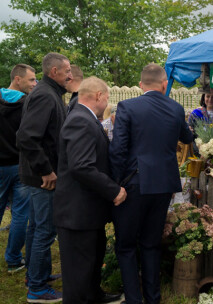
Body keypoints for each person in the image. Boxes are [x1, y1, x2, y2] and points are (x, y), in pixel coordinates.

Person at [109, 63, 193, 304]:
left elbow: (118, 150)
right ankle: (153, 298)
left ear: (140, 85)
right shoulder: (176, 108)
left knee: (125, 245)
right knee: (151, 244)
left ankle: (134, 300)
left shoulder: (128, 106)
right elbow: (187, 137)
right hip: (164, 184)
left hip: (133, 184)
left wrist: (116, 184)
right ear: (164, 84)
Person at [53, 77, 125, 304]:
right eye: (107, 97)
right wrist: (113, 190)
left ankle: (94, 294)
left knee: (91, 261)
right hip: (77, 213)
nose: (107, 101)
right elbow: (81, 167)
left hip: (87, 212)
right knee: (78, 271)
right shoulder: (81, 121)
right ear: (98, 96)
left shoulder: (85, 118)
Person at [17, 52, 72, 303]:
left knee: (37, 227)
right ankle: (37, 289)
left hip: (38, 174)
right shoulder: (45, 96)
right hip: (43, 177)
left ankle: (35, 274)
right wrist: (46, 170)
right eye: (67, 71)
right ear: (54, 73)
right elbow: (27, 137)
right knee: (45, 231)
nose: (71, 75)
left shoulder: (50, 94)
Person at [0, 64, 36, 273]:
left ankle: (14, 258)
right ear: (17, 79)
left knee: (20, 213)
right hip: (19, 165)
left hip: (6, 165)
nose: (34, 84)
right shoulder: (27, 105)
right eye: (31, 80)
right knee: (21, 213)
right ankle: (13, 259)